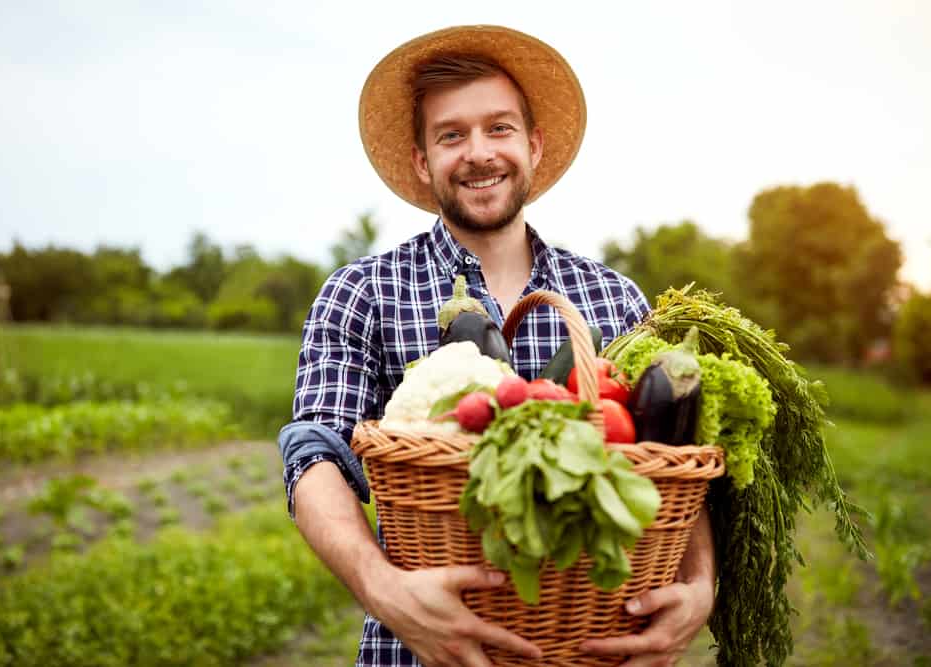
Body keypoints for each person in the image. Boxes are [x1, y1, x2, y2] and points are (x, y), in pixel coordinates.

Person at [279, 25, 715, 667]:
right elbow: (313, 454)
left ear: (533, 145)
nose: (479, 152)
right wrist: (386, 592)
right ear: (424, 160)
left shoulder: (614, 299)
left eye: (500, 128)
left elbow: (675, 457)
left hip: (595, 645)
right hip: (420, 652)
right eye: (451, 135)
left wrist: (698, 585)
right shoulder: (362, 292)